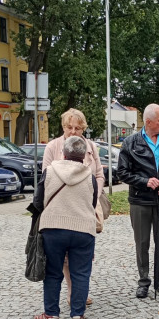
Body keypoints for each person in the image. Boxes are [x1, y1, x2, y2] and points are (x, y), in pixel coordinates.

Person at [117, 104, 159, 298]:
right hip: (140, 201)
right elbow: (122, 172)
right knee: (142, 242)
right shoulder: (130, 143)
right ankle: (144, 281)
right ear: (148, 122)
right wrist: (145, 182)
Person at [33, 136, 98, 319]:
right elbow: (92, 204)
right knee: (81, 273)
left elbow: (38, 201)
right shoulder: (90, 177)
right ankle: (77, 314)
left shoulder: (50, 172)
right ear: (83, 155)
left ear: (63, 152)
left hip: (53, 228)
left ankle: (51, 314)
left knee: (53, 272)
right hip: (83, 229)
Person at [42, 109, 104, 306]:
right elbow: (45, 177)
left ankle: (77, 291)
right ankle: (72, 292)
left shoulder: (91, 147)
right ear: (63, 127)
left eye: (77, 128)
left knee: (83, 253)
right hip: (61, 209)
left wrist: (94, 196)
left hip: (86, 207)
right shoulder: (53, 147)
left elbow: (100, 175)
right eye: (69, 127)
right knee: (64, 256)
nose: (73, 131)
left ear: (83, 128)